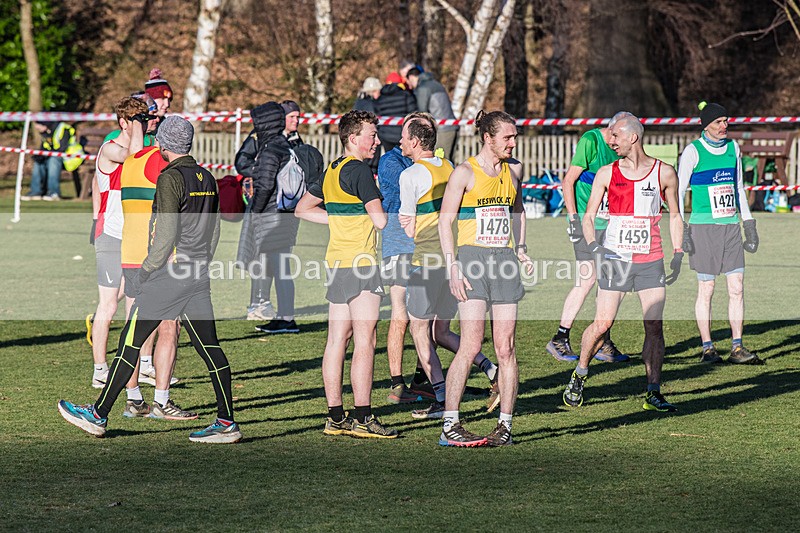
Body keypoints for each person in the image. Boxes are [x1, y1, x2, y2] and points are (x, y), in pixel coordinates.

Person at [58, 115, 242, 444]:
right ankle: (227, 421)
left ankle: (98, 414)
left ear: (163, 144)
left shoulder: (170, 178)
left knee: (129, 342)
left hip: (168, 274)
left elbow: (165, 234)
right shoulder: (207, 177)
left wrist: (145, 271)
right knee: (211, 348)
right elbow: (213, 232)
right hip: (197, 274)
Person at [562, 115, 684, 412]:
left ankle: (653, 391)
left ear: (633, 137)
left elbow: (676, 215)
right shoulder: (606, 173)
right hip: (615, 259)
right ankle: (580, 373)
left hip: (650, 259)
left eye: (615, 135)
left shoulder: (664, 173)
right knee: (603, 324)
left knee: (654, 326)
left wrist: (678, 252)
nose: (610, 140)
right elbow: (589, 216)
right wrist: (594, 248)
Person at [295, 109, 398, 439]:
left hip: (336, 262)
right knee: (366, 339)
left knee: (337, 340)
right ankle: (364, 417)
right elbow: (380, 221)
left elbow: (303, 209)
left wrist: (338, 221)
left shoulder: (331, 170)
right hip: (362, 263)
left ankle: (335, 416)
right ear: (353, 138)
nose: (377, 141)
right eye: (372, 135)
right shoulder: (360, 171)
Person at [437, 110, 533, 447]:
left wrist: (521, 248)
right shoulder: (465, 172)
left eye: (515, 136)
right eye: (507, 137)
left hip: (504, 262)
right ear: (487, 138)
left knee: (506, 347)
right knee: (471, 345)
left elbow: (517, 210)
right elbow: (444, 221)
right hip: (472, 260)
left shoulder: (512, 171)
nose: (513, 142)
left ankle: (504, 426)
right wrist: (452, 266)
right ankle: (451, 424)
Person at [398, 112, 503, 420]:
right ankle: (490, 368)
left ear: (415, 142)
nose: (400, 141)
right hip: (453, 261)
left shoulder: (410, 175)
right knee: (442, 330)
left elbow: (407, 228)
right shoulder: (450, 166)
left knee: (419, 330)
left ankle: (442, 396)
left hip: (426, 263)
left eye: (404, 137)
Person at [677, 102, 762, 364]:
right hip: (703, 228)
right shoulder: (692, 152)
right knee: (707, 288)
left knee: (737, 287)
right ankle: (708, 348)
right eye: (718, 122)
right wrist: (683, 230)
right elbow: (678, 193)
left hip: (731, 227)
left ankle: (737, 347)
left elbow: (738, 188)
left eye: (726, 121)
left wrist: (748, 224)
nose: (724, 126)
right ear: (706, 125)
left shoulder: (733, 148)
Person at [547, 112, 633, 363]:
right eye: (619, 135)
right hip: (587, 223)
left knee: (610, 284)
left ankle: (603, 342)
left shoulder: (620, 149)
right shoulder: (591, 141)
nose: (621, 141)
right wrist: (574, 219)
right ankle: (560, 338)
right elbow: (568, 181)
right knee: (587, 280)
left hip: (611, 225)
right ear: (612, 129)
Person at [119, 142, 191, 419]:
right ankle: (161, 401)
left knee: (134, 330)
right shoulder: (162, 164)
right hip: (159, 257)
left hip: (131, 253)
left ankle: (134, 399)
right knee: (170, 328)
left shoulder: (130, 160)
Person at [235, 99, 322, 322]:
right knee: (262, 257)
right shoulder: (261, 139)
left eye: (298, 116)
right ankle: (260, 302)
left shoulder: (293, 141)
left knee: (276, 259)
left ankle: (277, 312)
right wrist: (262, 171)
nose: (296, 120)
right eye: (292, 116)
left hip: (281, 209)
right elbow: (242, 162)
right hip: (269, 207)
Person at [88, 97, 148, 390]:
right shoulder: (112, 149)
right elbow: (134, 154)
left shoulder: (140, 147)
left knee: (135, 303)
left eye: (146, 120)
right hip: (110, 236)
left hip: (133, 238)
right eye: (138, 120)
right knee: (109, 305)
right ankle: (100, 369)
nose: (144, 126)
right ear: (124, 122)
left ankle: (135, 369)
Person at [236, 102, 300, 334]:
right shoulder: (279, 144)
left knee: (276, 264)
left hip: (273, 214)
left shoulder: (273, 147)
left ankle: (284, 317)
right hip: (284, 212)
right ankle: (280, 314)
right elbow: (244, 162)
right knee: (276, 263)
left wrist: (257, 210)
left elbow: (265, 184)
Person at [376, 142, 420, 403]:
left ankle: (422, 378)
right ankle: (397, 383)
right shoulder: (391, 162)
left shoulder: (427, 163)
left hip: (425, 244)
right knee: (401, 314)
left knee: (425, 317)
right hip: (399, 244)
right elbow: (411, 191)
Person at [406, 68, 458, 162]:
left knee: (441, 162)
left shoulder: (423, 88)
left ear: (411, 77)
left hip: (441, 130)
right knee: (449, 162)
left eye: (408, 82)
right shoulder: (436, 84)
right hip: (451, 126)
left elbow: (422, 113)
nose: (410, 86)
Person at [21, 121, 76, 201]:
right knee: (39, 161)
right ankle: (36, 192)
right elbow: (45, 148)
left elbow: (63, 148)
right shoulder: (46, 133)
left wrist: (47, 155)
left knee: (53, 159)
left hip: (71, 158)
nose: (36, 127)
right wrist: (40, 156)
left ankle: (54, 193)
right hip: (54, 157)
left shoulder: (63, 128)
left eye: (38, 124)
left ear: (45, 124)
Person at [375, 74, 418, 154]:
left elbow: (378, 115)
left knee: (391, 158)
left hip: (386, 135)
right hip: (402, 134)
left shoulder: (381, 98)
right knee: (405, 160)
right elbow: (413, 113)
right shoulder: (406, 95)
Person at [354, 77, 383, 174]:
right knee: (371, 166)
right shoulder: (371, 104)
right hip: (369, 137)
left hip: (359, 137)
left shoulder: (359, 102)